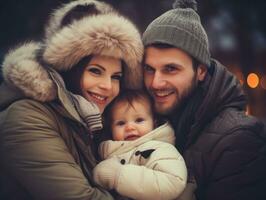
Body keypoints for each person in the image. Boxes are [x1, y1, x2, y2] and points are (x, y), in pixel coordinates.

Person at [0, 0, 143, 199]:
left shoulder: (92, 118)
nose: (108, 86)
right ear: (70, 68)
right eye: (95, 71)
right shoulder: (26, 118)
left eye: (116, 77)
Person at [142, 0, 266, 200]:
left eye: (170, 69)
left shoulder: (239, 138)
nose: (156, 83)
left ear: (200, 71)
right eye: (149, 69)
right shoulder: (144, 121)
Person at [92, 89, 187, 200]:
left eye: (139, 120)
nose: (130, 127)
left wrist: (117, 175)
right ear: (111, 129)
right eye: (121, 123)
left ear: (154, 123)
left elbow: (173, 182)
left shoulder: (160, 149)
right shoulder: (107, 155)